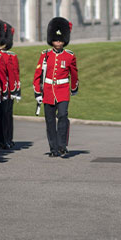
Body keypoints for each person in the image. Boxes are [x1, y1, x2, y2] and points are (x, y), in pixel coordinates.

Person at [33, 17, 78, 157]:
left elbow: (74, 73)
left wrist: (74, 87)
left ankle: (62, 145)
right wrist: (37, 92)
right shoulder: (45, 55)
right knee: (50, 121)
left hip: (63, 90)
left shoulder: (69, 56)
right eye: (55, 40)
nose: (58, 42)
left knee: (63, 116)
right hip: (48, 91)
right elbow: (38, 74)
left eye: (60, 40)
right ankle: (53, 148)